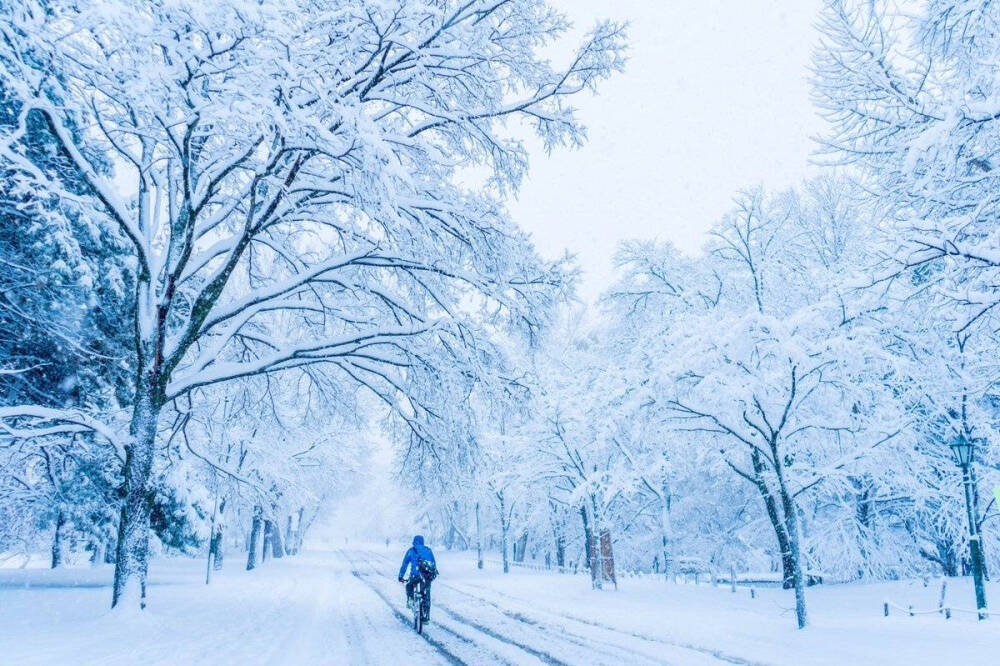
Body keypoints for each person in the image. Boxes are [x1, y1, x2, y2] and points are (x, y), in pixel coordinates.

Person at [398, 535, 436, 614]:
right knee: (426, 594)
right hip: (426, 577)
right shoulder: (428, 550)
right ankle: (426, 615)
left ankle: (410, 599)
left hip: (414, 575)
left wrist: (401, 576)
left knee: (409, 586)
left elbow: (404, 564)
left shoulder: (411, 551)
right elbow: (433, 564)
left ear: (414, 542)